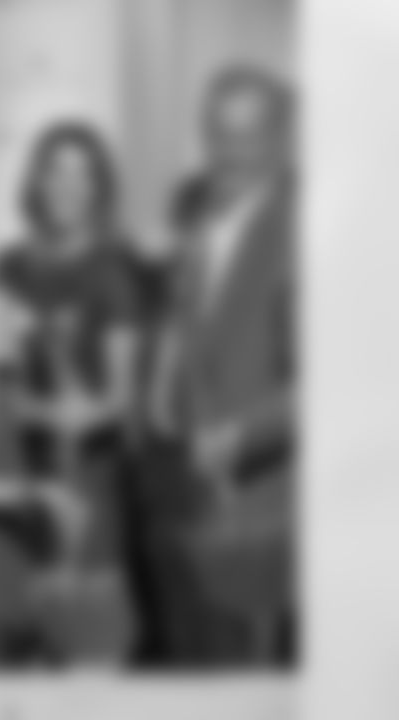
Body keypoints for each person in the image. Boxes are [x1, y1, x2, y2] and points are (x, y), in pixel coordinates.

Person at [0, 121, 147, 667]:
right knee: (19, 642)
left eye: (83, 173)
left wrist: (69, 413)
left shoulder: (114, 273)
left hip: (85, 476)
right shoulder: (6, 265)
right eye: (56, 170)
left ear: (100, 187)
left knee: (88, 638)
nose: (68, 186)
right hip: (10, 475)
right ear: (36, 180)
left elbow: (121, 400)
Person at [147, 66, 297, 666]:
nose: (229, 152)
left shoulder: (302, 230)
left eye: (247, 135)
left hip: (270, 510)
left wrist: (241, 436)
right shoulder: (198, 230)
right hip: (195, 511)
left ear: (280, 137)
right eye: (218, 133)